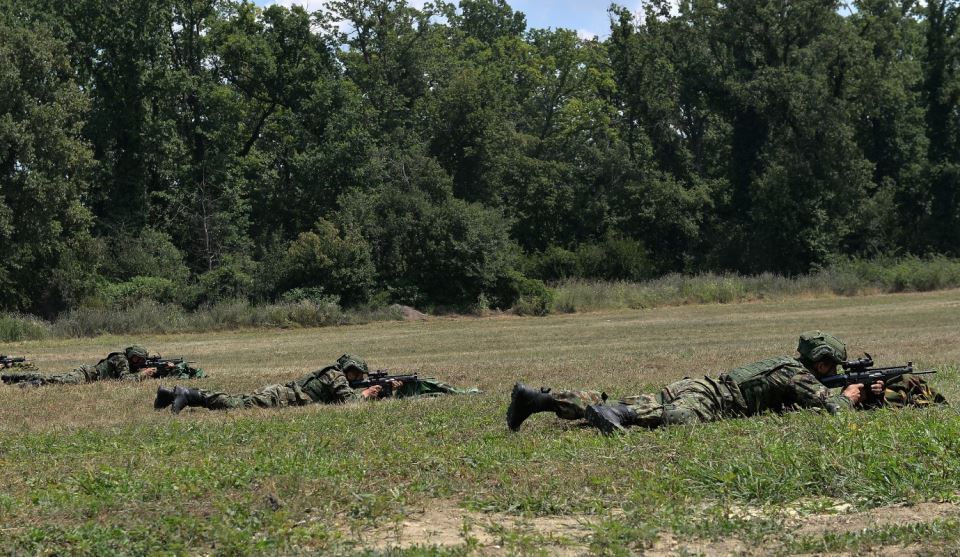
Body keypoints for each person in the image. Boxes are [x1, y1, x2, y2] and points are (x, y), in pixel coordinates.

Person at [506, 331, 947, 434]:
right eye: (833, 368)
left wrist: (869, 393)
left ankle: (537, 399)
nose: (834, 375)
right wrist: (850, 398)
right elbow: (832, 409)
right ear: (819, 362)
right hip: (706, 399)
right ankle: (607, 415)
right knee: (671, 424)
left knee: (632, 405)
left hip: (698, 385)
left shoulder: (788, 365)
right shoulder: (796, 375)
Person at [154, 354, 479, 414]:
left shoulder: (338, 376)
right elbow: (349, 405)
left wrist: (384, 391)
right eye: (355, 375)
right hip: (284, 398)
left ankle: (169, 393)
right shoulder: (336, 376)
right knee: (236, 405)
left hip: (283, 393)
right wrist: (367, 394)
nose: (357, 378)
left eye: (360, 376)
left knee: (237, 400)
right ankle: (188, 393)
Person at [0, 346, 204, 386]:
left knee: (55, 378)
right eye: (140, 361)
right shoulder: (120, 359)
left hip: (91, 376)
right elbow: (125, 380)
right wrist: (144, 374)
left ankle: (15, 379)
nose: (141, 364)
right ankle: (21, 380)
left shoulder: (129, 362)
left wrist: (164, 370)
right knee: (57, 380)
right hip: (87, 375)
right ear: (133, 358)